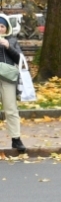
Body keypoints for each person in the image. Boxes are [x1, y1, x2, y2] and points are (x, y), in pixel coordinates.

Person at [0, 18, 26, 154]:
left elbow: (20, 59)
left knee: (11, 109)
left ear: (7, 28)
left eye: (2, 26)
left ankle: (16, 139)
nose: (0, 29)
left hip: (8, 77)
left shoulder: (12, 40)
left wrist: (8, 46)